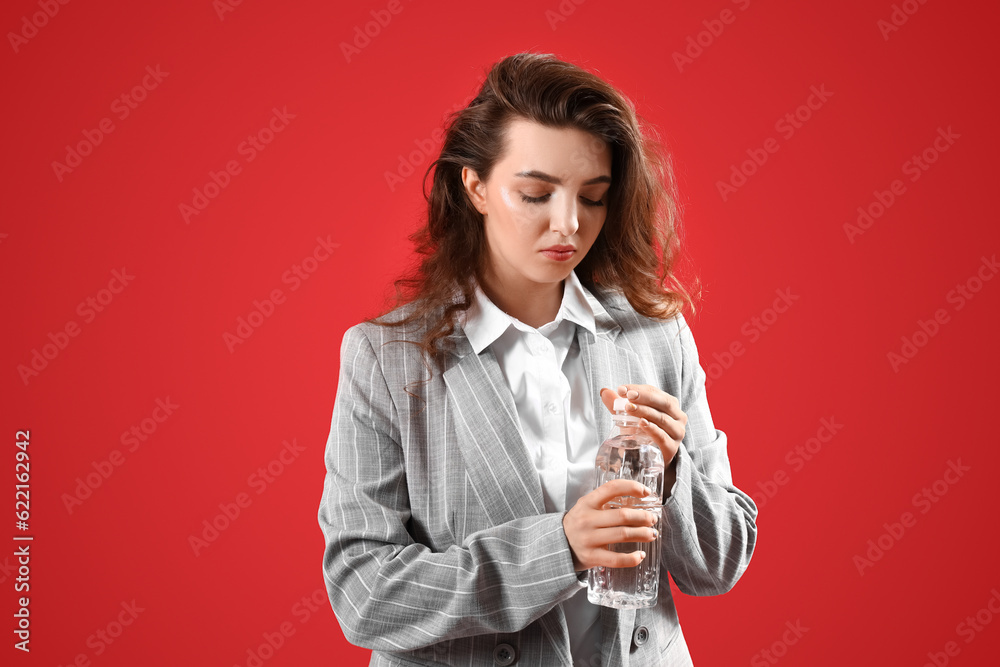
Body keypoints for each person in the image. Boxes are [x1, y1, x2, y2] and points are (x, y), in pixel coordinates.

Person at [318, 52, 758, 667]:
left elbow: (719, 565)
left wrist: (675, 472)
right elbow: (364, 594)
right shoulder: (387, 359)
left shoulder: (655, 334)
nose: (569, 225)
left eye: (594, 197)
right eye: (535, 194)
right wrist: (561, 548)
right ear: (474, 186)